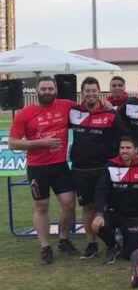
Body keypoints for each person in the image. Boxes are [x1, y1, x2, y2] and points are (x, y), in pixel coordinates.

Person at [9, 77, 77, 264]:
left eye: (50, 88)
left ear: (56, 89)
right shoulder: (25, 113)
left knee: (69, 203)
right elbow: (12, 143)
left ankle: (64, 239)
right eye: (44, 88)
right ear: (37, 90)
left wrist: (105, 102)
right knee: (42, 206)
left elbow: (88, 107)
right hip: (37, 168)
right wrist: (41, 143)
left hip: (60, 165)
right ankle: (45, 246)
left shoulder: (66, 105)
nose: (47, 92)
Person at [69, 77, 127, 259]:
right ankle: (91, 243)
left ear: (99, 93)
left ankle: (114, 242)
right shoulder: (73, 112)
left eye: (94, 91)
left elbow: (125, 136)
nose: (91, 94)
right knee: (87, 207)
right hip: (80, 169)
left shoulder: (110, 114)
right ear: (82, 93)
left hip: (104, 169)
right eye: (87, 91)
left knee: (108, 207)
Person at [92, 136, 138, 263]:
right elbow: (101, 190)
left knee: (129, 254)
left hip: (135, 216)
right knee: (98, 225)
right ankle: (113, 246)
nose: (124, 151)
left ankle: (132, 240)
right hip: (115, 212)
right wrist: (98, 214)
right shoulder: (111, 164)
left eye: (128, 148)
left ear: (136, 150)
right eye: (122, 148)